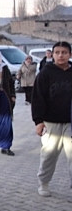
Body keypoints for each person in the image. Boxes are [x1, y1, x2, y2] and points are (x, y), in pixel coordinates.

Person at [31, 41, 72, 197]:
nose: (60, 55)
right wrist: (38, 121)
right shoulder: (45, 73)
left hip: (70, 122)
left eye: (64, 52)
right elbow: (37, 98)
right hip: (50, 122)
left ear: (70, 55)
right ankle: (43, 182)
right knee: (49, 155)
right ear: (52, 54)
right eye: (57, 52)